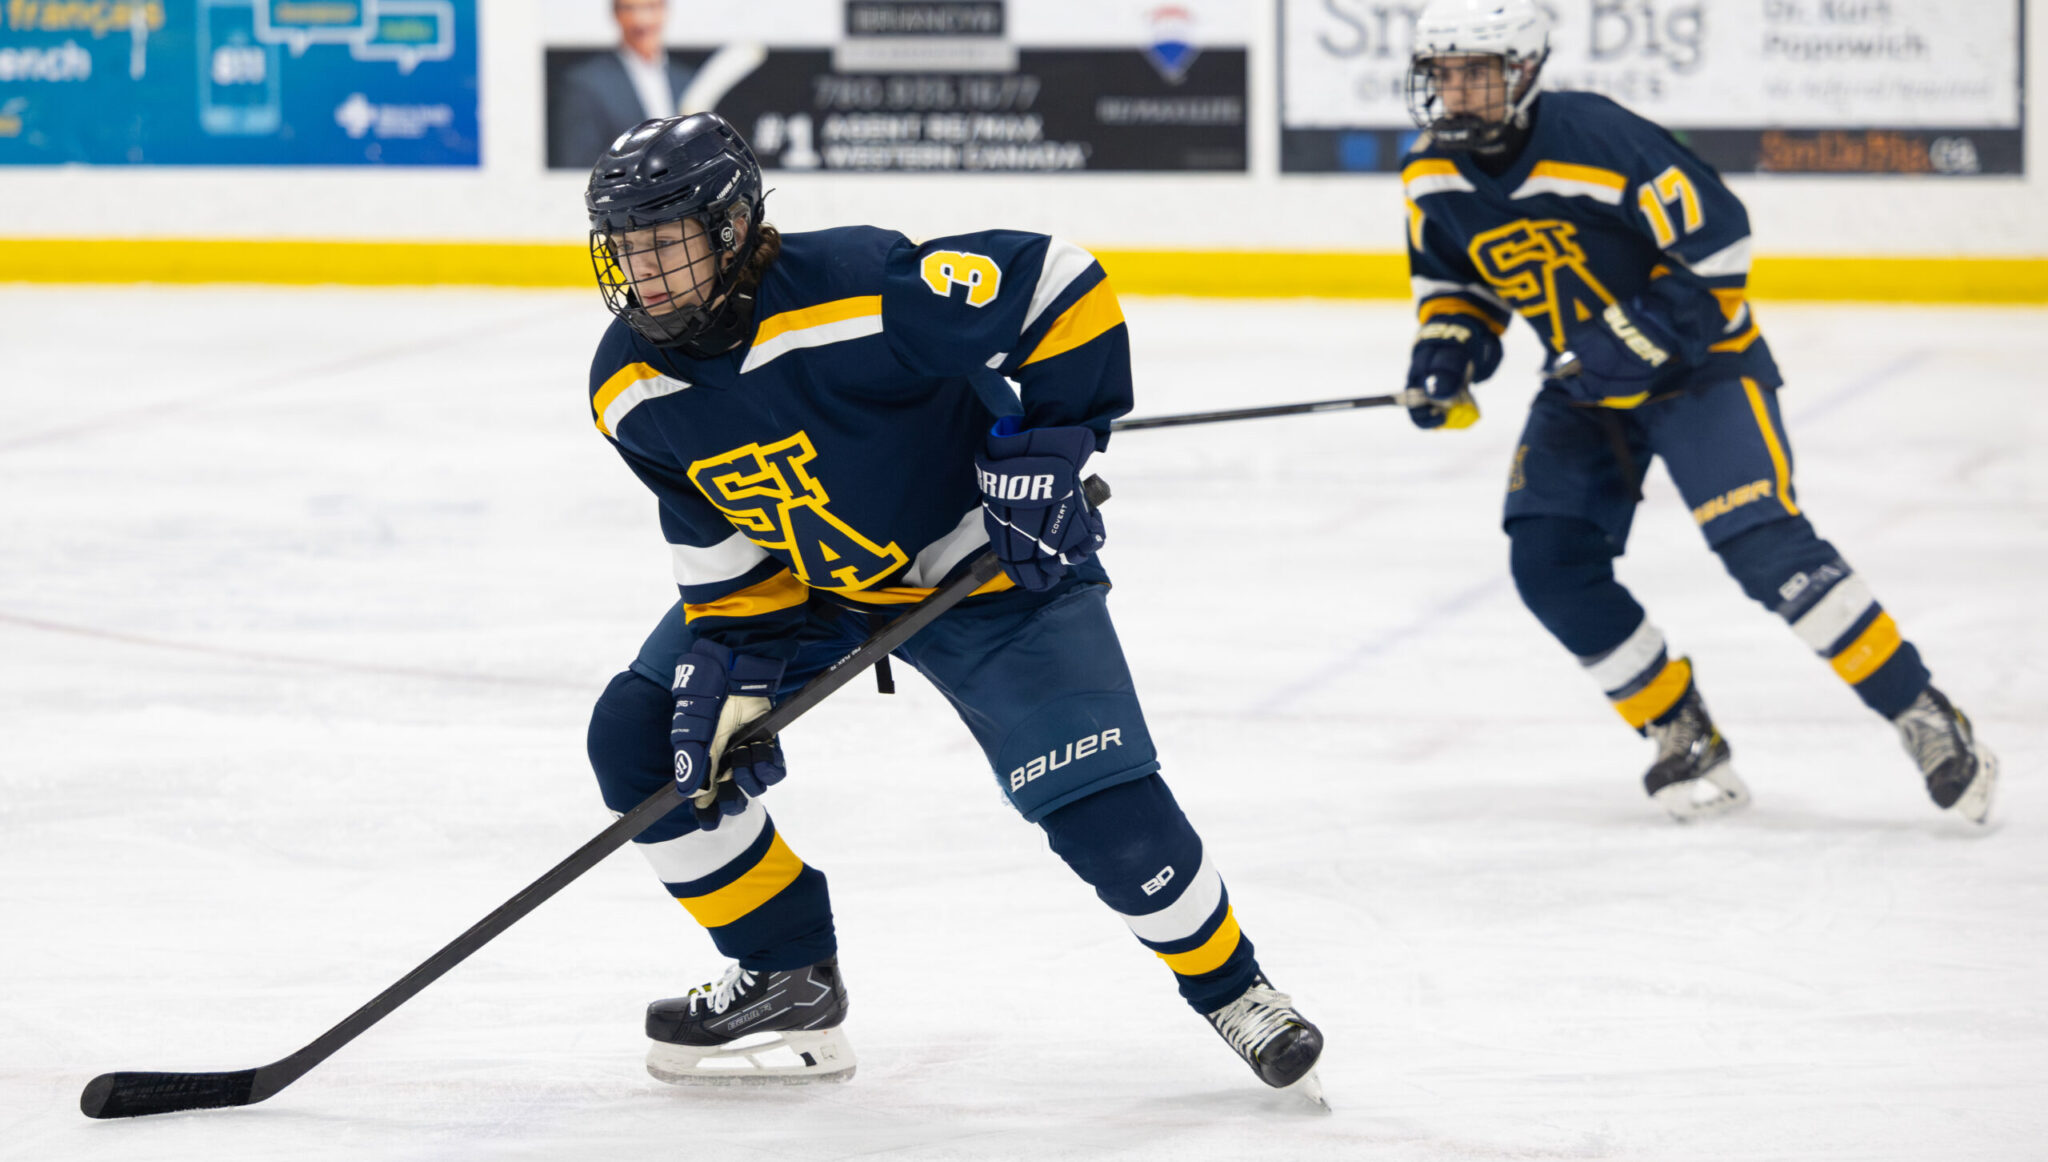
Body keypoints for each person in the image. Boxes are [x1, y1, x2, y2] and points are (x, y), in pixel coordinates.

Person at [577, 113, 1326, 1101]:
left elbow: (1058, 284)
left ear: (731, 227)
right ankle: (787, 972)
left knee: (1095, 796)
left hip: (983, 566)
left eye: (667, 242)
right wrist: (731, 666)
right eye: (627, 248)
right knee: (642, 739)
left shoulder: (859, 286)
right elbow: (716, 534)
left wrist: (1051, 445)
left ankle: (1236, 990)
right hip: (815, 586)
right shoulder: (627, 386)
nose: (648, 273)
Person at [1395, 0, 1997, 823]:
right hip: (1587, 385)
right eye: (1444, 74)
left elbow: (1719, 245)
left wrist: (1634, 337)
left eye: (1477, 73)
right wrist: (1446, 355)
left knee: (1764, 547)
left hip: (1702, 366)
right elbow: (1455, 285)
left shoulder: (1597, 137)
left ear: (1525, 71)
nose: (1457, 91)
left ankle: (1923, 712)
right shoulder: (1430, 174)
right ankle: (1679, 727)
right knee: (1548, 559)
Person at [548, 0, 696, 170]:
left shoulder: (686, 80)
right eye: (629, 9)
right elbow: (576, 163)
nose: (641, 20)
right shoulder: (585, 83)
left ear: (664, 11)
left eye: (651, 7)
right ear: (616, 15)